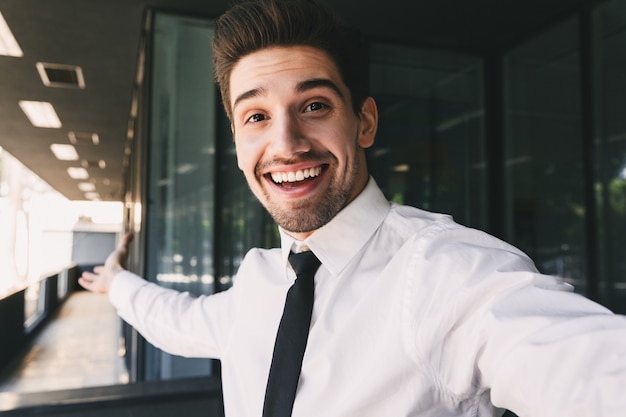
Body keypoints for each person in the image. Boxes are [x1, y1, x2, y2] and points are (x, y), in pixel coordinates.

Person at [79, 0, 626, 416]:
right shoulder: (258, 283)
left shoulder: (444, 273)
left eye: (314, 106)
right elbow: (176, 320)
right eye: (257, 117)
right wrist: (115, 283)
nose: (287, 143)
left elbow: (588, 366)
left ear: (364, 122)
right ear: (238, 141)